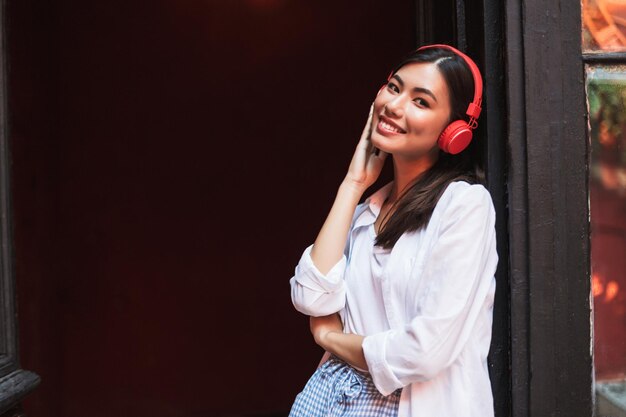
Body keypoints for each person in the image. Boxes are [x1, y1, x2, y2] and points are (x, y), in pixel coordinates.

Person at [288, 44, 498, 417]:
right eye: (394, 87)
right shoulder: (368, 210)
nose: (395, 106)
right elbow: (310, 296)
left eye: (421, 102)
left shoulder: (465, 206)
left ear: (454, 131)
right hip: (331, 401)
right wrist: (353, 184)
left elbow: (423, 352)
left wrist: (330, 338)